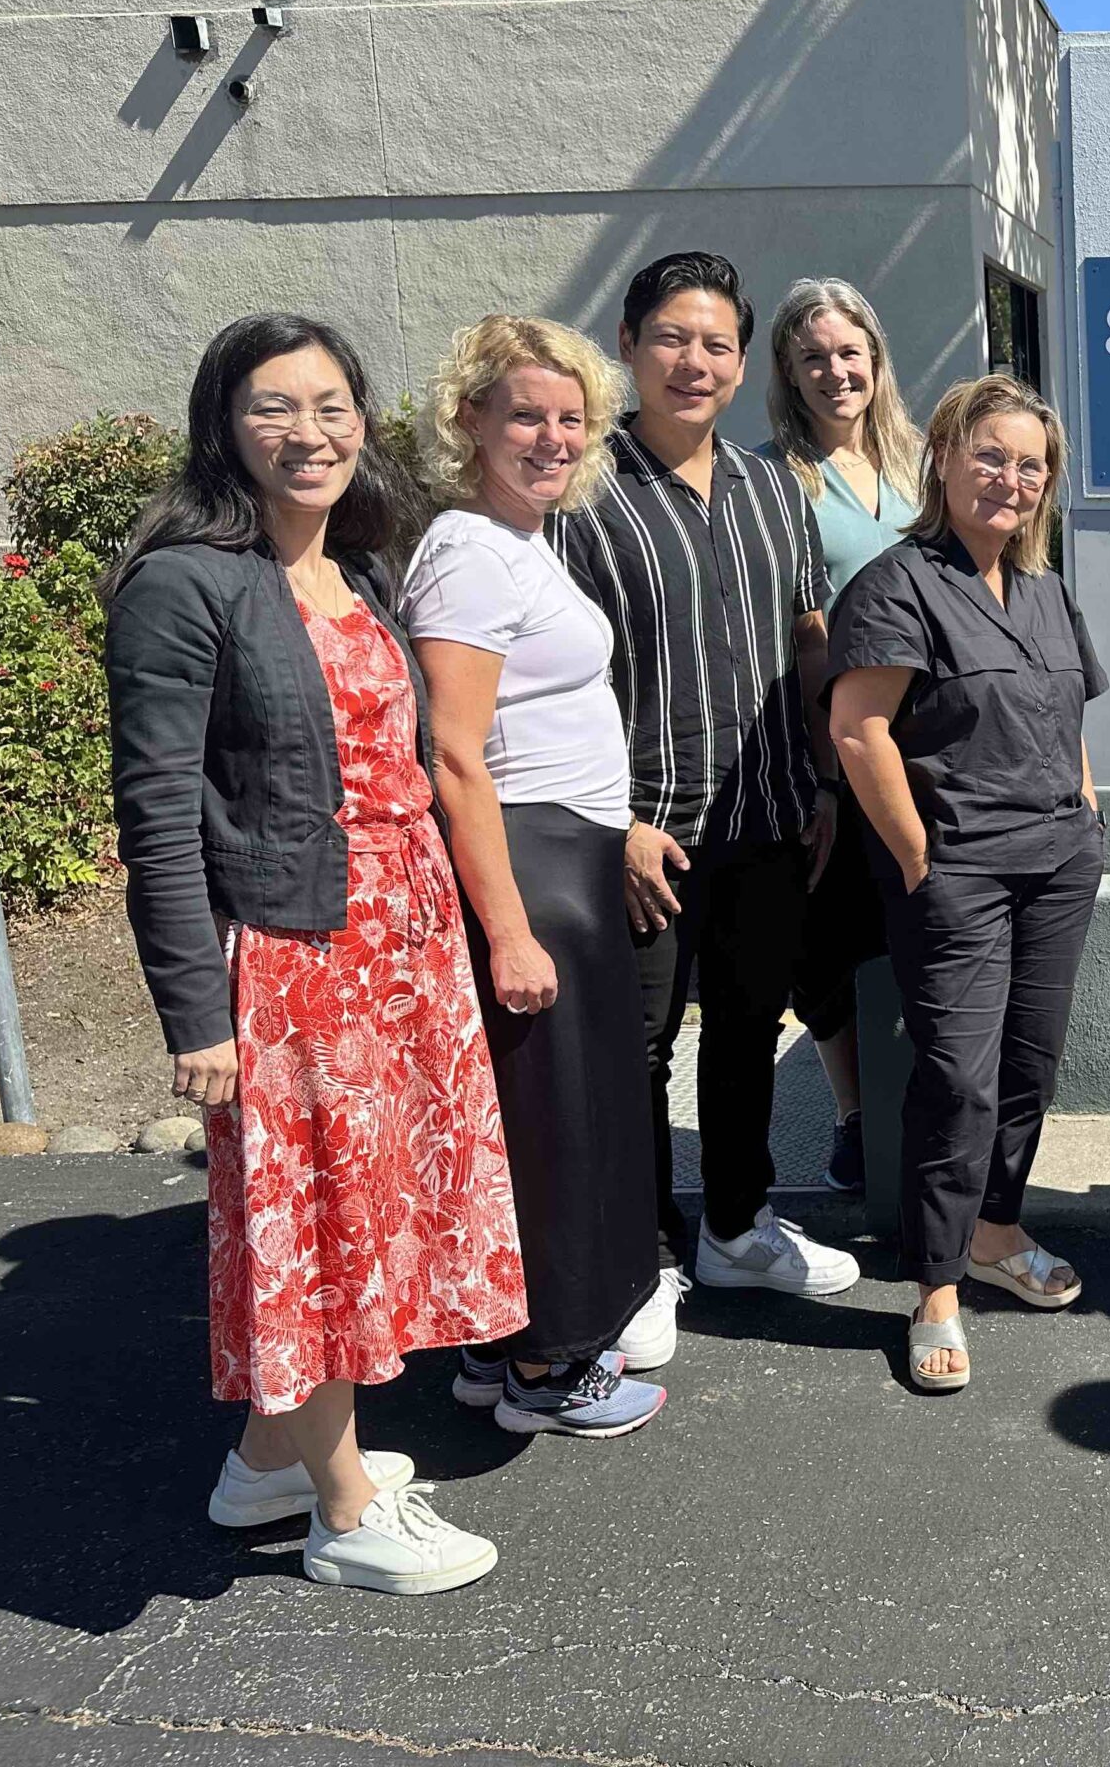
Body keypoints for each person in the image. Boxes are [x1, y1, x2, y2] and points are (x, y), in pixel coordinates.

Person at [106, 314, 521, 1594]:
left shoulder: (360, 570)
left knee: (372, 1208)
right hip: (297, 958)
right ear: (223, 427)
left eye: (331, 405)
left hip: (402, 944)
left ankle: (266, 1463)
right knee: (322, 1225)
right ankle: (345, 1510)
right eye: (274, 407)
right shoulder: (185, 583)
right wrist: (196, 1015)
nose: (309, 432)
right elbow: (157, 817)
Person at [550, 251, 860, 1370]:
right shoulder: (581, 495)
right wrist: (614, 821)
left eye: (717, 343)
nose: (695, 362)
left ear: (740, 363)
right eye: (672, 339)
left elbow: (808, 640)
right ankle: (640, 1260)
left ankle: (735, 1226)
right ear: (628, 347)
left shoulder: (775, 487)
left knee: (745, 1026)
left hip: (769, 813)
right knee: (634, 1050)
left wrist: (823, 779)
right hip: (642, 830)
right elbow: (555, 678)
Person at [403, 315, 667, 1439]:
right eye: (525, 415)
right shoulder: (468, 549)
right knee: (551, 1129)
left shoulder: (520, 539)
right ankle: (548, 1372)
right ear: (470, 419)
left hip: (567, 856)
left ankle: (500, 1348)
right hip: (529, 867)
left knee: (548, 1120)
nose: (552, 438)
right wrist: (508, 931)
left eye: (571, 418)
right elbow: (454, 755)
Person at [826, 374, 1107, 1394]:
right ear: (942, 458)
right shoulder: (899, 584)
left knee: (1029, 1066)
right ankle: (935, 1288)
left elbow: (1069, 716)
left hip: (1057, 865)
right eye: (990, 455)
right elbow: (858, 730)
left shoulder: (1043, 589)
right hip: (960, 873)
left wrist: (1086, 814)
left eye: (1030, 465)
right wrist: (917, 856)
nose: (1009, 479)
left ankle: (996, 1231)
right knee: (958, 1080)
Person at [764, 276, 922, 1194]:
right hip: (825, 746)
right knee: (826, 943)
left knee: (915, 922)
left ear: (875, 358)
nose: (835, 372)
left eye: (849, 353)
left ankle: (924, 1107)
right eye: (813, 357)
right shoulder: (773, 479)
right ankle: (856, 1114)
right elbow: (803, 635)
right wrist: (822, 777)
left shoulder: (918, 461)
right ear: (788, 371)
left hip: (924, 744)